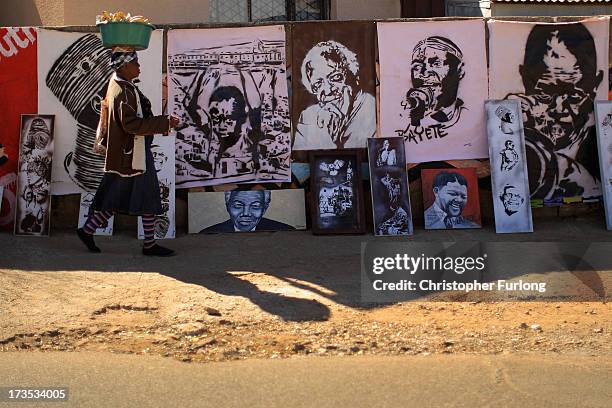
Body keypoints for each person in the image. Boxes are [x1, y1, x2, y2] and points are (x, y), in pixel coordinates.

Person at [77, 50, 179, 256]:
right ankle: (149, 245)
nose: (139, 67)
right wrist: (164, 123)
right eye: (136, 63)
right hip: (132, 155)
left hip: (127, 154)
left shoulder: (119, 85)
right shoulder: (123, 91)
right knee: (148, 196)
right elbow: (131, 125)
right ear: (124, 67)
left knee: (118, 196)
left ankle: (87, 230)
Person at [506, 23, 604, 199]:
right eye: (545, 94)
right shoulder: (516, 120)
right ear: (525, 81)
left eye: (573, 96)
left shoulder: (602, 137)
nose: (559, 109)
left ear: (595, 86)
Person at [294, 40, 376, 150]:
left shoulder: (373, 109)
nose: (328, 91)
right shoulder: (308, 117)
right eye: (318, 84)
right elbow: (304, 158)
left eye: (335, 77)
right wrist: (325, 132)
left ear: (353, 76)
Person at [399, 36, 465, 136]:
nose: (424, 73)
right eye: (417, 66)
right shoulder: (402, 117)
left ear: (459, 71)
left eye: (436, 63)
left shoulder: (469, 117)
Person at [200, 190, 294, 233]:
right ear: (228, 206)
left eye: (255, 206)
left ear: (264, 208)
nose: (246, 213)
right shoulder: (209, 234)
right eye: (238, 205)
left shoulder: (286, 232)